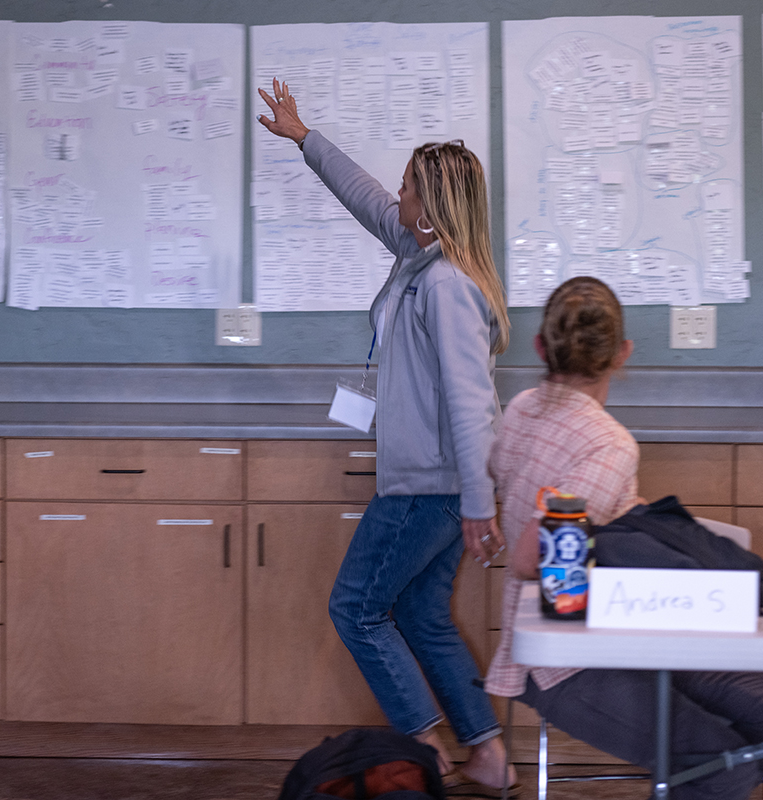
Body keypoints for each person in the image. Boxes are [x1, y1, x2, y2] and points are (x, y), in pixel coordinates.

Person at [257, 80, 515, 793]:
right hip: (432, 482)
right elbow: (363, 194)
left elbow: (471, 406)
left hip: (428, 484)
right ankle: (488, 757)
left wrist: (477, 503)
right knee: (424, 614)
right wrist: (304, 137)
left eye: (407, 188)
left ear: (430, 208)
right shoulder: (417, 253)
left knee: (357, 609)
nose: (396, 197)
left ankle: (425, 747)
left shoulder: (446, 286)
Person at [486, 277, 763, 800]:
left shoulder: (522, 408)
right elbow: (532, 555)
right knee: (721, 765)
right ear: (622, 354)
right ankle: (702, 774)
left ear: (539, 346)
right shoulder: (608, 443)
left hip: (619, 628)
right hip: (565, 659)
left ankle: (692, 775)